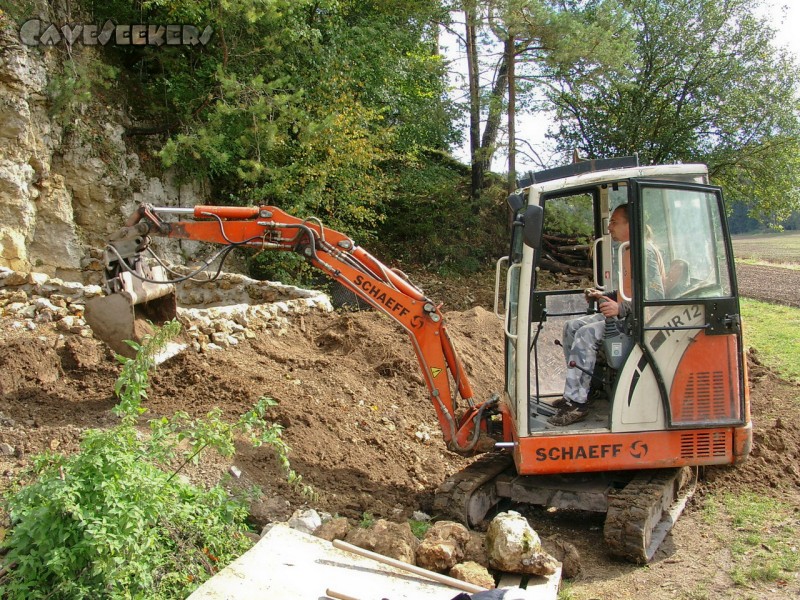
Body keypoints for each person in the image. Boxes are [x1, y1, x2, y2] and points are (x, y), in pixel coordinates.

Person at [549, 203, 664, 426]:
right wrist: (603, 295)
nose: (609, 227)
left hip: (637, 322)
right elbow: (628, 292)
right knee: (571, 327)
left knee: (586, 334)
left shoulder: (644, 253)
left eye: (614, 222)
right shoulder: (629, 249)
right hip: (625, 315)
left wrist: (620, 309)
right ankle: (585, 391)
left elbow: (655, 296)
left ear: (631, 224)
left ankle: (577, 405)